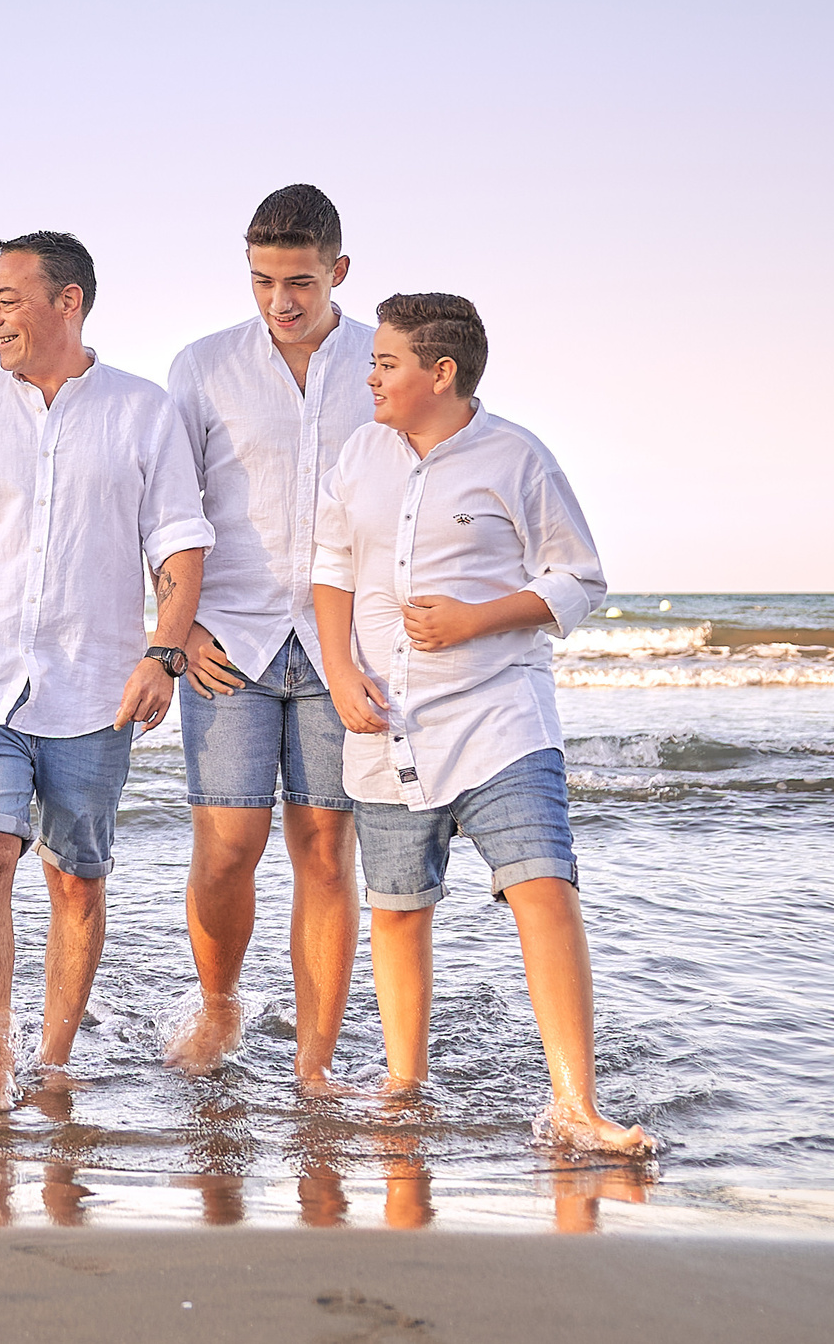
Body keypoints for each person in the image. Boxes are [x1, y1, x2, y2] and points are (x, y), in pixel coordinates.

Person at [311, 293, 655, 1152]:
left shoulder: (517, 457)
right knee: (397, 907)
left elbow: (580, 578)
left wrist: (476, 619)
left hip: (503, 716)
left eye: (386, 363)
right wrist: (340, 672)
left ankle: (577, 1105)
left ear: (441, 372)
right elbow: (330, 571)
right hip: (386, 723)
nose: (371, 375)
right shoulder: (360, 453)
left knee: (543, 889)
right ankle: (403, 1086)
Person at [0, 232, 213, 1111]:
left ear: (68, 302)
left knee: (77, 877)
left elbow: (178, 541)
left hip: (96, 684)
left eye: (6, 298)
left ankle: (55, 1057)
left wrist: (162, 655)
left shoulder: (143, 410)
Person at [163, 184, 373, 1081]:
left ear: (339, 271)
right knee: (227, 847)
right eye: (261, 281)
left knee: (326, 850)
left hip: (344, 648)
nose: (281, 302)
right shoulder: (204, 366)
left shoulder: (381, 362)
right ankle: (219, 1010)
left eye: (299, 281)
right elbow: (165, 508)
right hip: (230, 642)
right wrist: (176, 628)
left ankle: (316, 1062)